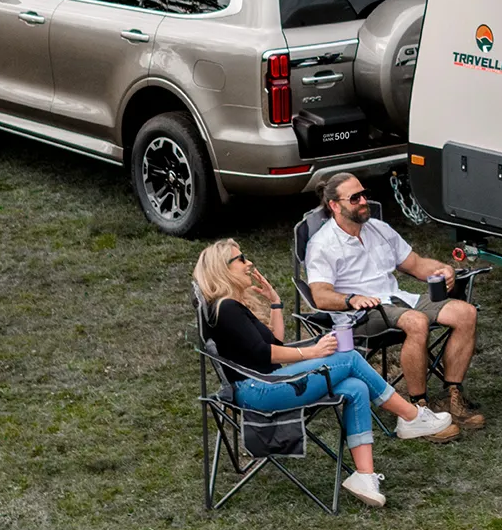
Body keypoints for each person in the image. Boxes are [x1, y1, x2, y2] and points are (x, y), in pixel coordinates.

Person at [194, 239, 459, 508]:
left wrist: (275, 302)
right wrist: (313, 352)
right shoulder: (225, 308)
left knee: (356, 387)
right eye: (240, 260)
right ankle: (411, 416)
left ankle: (364, 476)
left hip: (267, 385)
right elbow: (266, 354)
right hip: (259, 391)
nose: (249, 263)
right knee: (350, 358)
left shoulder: (231, 307)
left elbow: (275, 343)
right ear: (221, 269)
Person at [306, 172, 485, 431]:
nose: (363, 201)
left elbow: (415, 264)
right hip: (362, 315)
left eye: (364, 194)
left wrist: (442, 269)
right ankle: (417, 412)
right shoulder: (322, 244)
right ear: (334, 205)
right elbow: (320, 294)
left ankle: (451, 397)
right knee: (416, 322)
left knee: (465, 313)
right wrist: (351, 298)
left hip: (398, 300)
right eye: (355, 198)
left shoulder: (378, 229)